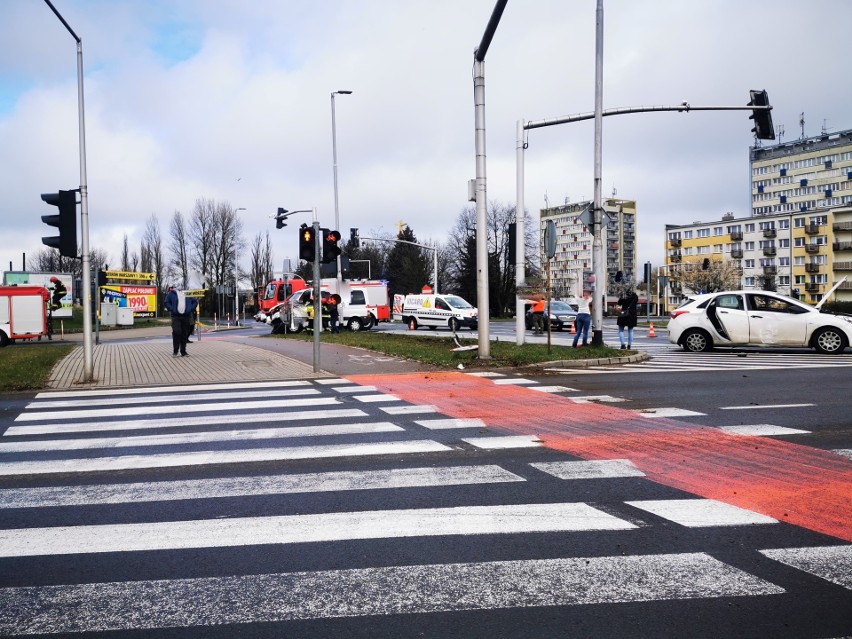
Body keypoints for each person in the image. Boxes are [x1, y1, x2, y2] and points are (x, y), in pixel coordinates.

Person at [164, 286, 198, 357]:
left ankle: (183, 351)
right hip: (176, 316)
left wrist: (190, 309)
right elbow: (166, 302)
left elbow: (195, 301)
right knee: (177, 331)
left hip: (186, 316)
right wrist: (172, 309)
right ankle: (175, 351)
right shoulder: (172, 294)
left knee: (184, 333)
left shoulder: (188, 294)